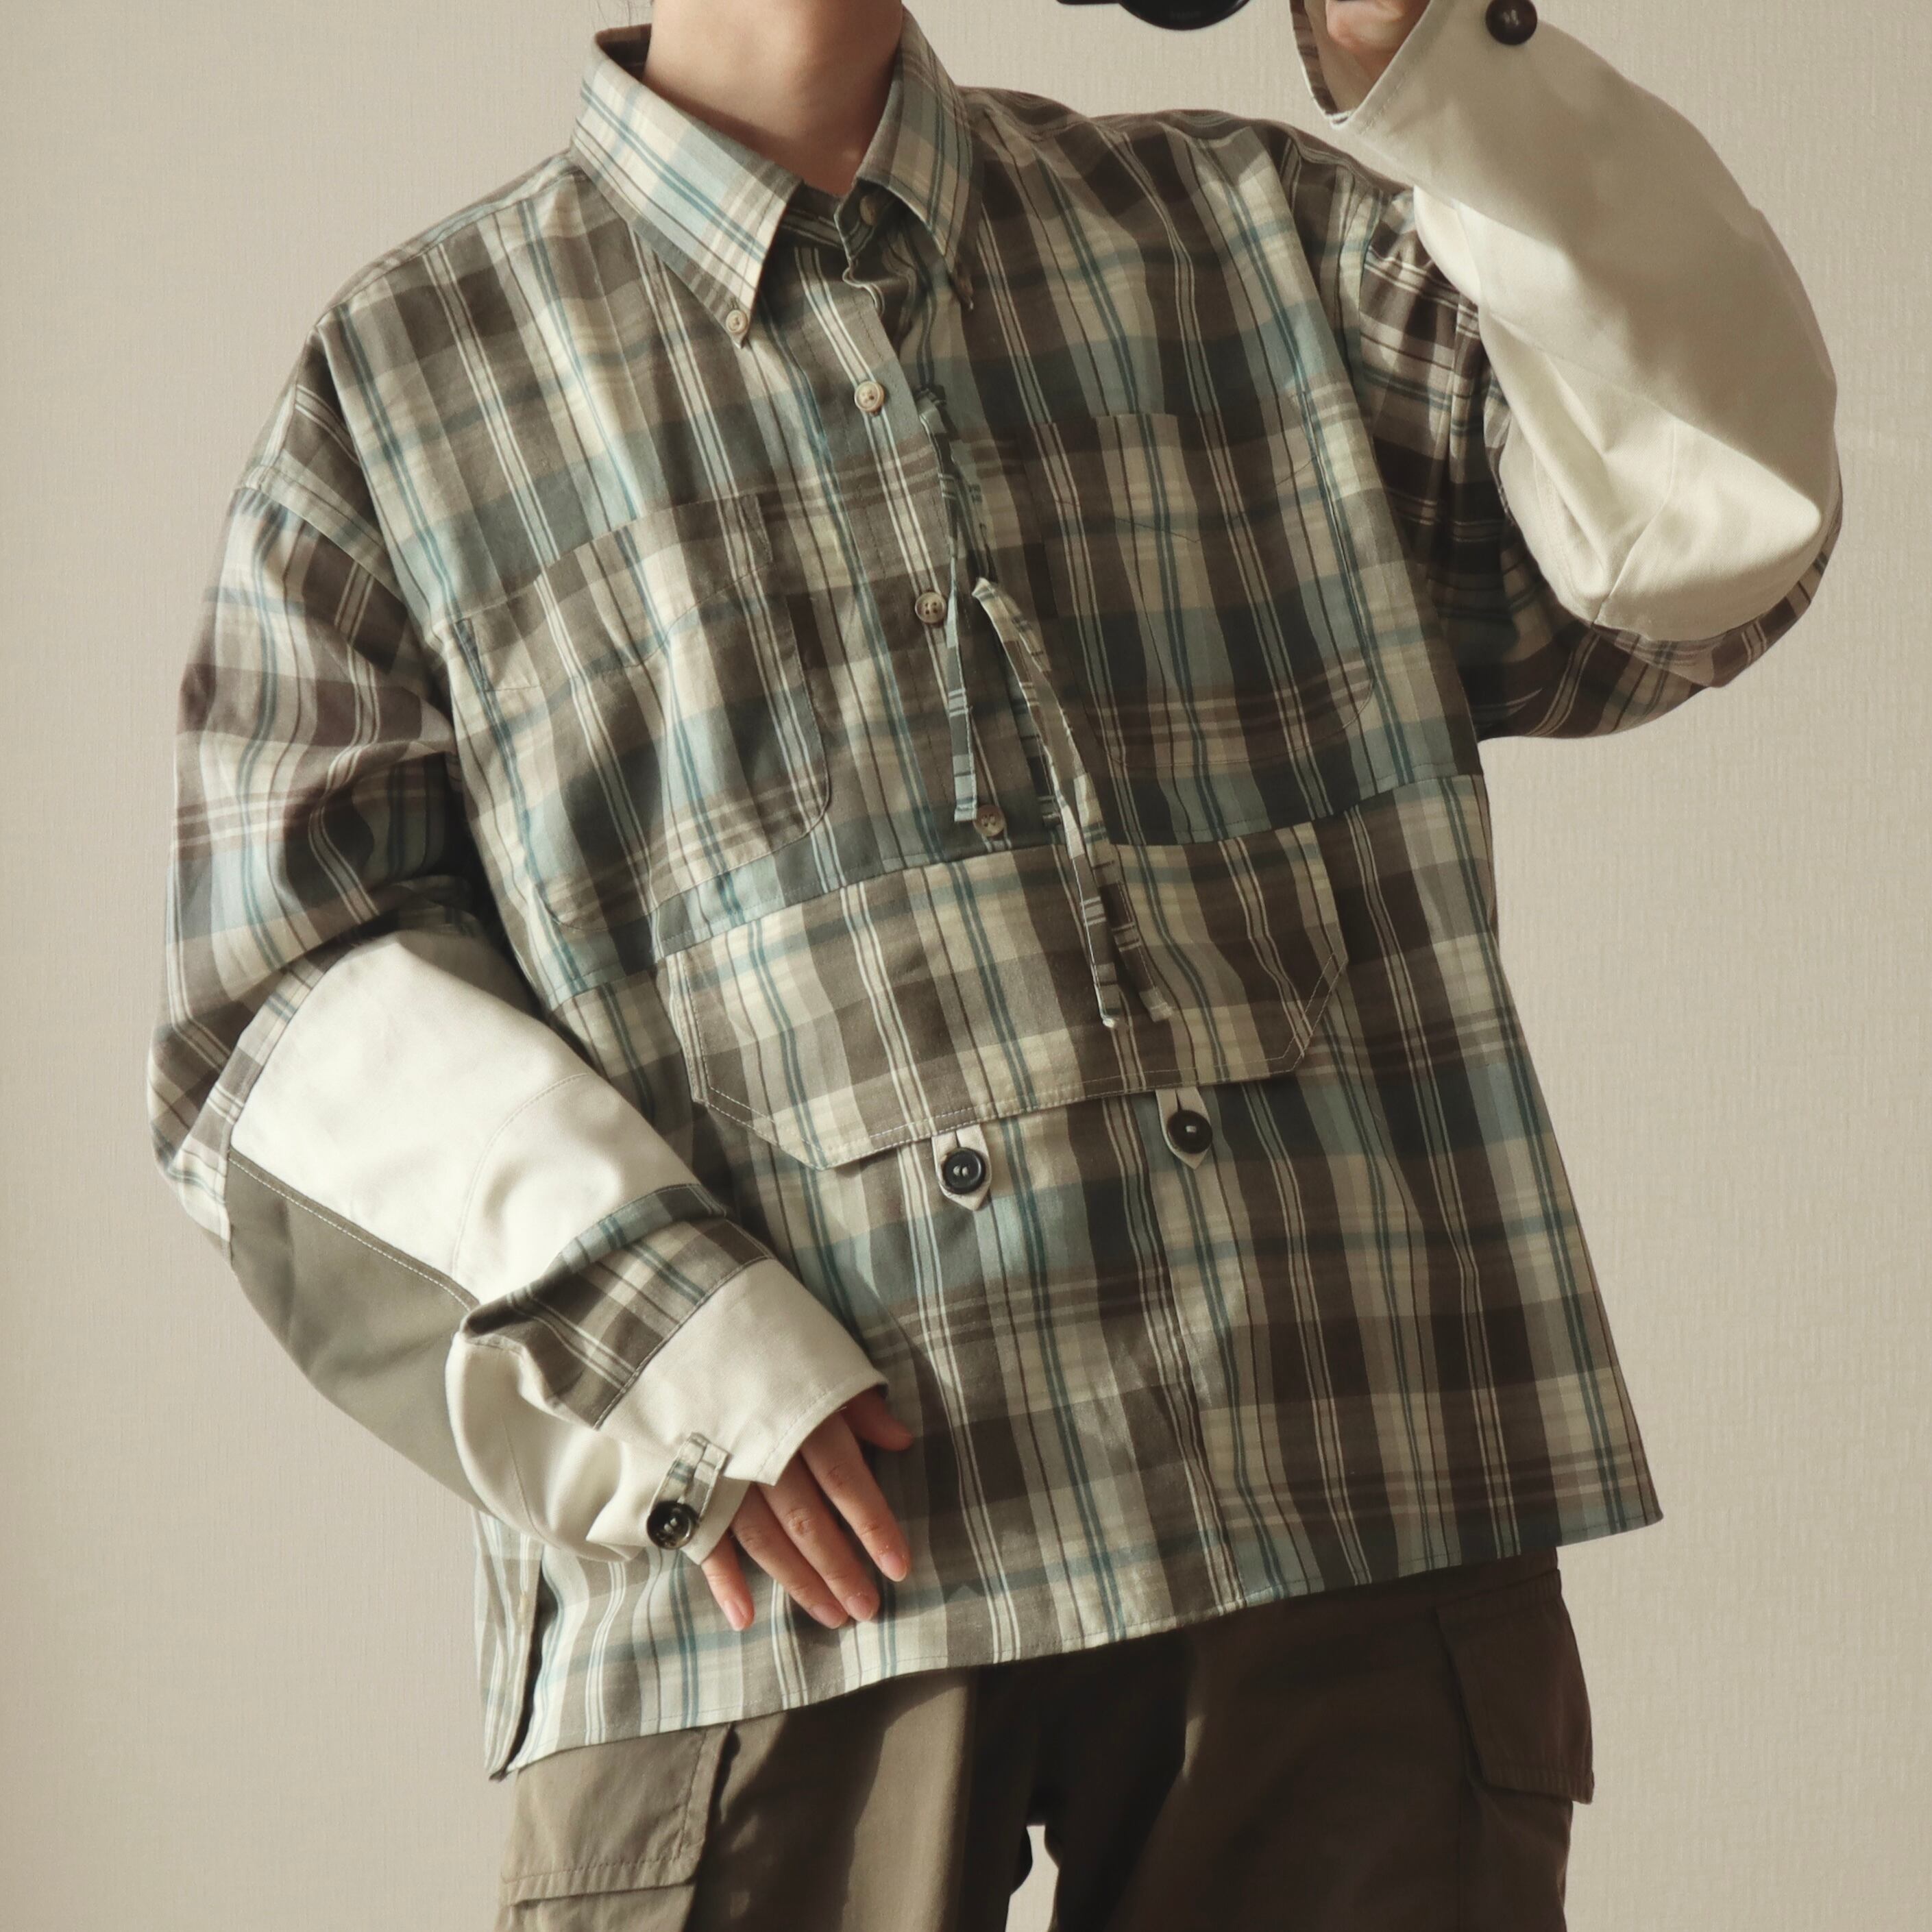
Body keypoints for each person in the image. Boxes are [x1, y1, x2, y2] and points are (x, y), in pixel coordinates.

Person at [145, 0, 1842, 1925]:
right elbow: (271, 1017)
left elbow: (1702, 537)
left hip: (1342, 1487)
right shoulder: (407, 383)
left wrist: (1438, 55)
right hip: (772, 1600)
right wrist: (669, 1345)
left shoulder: (1255, 237)